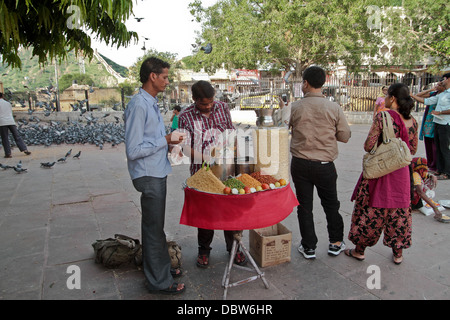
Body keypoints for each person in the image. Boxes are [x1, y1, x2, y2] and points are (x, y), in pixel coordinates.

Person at [124, 57, 186, 295]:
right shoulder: (139, 105)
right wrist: (165, 140)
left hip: (157, 171)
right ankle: (158, 282)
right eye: (165, 77)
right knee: (152, 229)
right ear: (153, 76)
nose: (167, 81)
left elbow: (150, 141)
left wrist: (169, 145)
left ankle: (161, 270)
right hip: (148, 175)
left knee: (156, 227)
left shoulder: (150, 102)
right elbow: (133, 150)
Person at [346, 83, 419, 265]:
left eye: (387, 95)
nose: (385, 98)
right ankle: (398, 254)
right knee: (399, 214)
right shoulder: (413, 122)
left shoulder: (383, 117)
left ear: (392, 98)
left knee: (371, 211)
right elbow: (413, 149)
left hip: (380, 173)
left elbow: (368, 145)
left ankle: (359, 251)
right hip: (401, 175)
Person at [177, 80, 247, 268]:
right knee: (206, 213)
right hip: (202, 172)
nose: (208, 106)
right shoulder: (185, 116)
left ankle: (234, 248)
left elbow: (231, 133)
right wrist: (205, 157)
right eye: (203, 104)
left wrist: (237, 155)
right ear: (194, 100)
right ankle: (204, 250)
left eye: (210, 102)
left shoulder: (223, 107)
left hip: (227, 170)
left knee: (231, 211)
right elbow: (182, 146)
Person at [289, 66, 351, 259]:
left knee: (305, 206)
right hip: (325, 166)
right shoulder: (334, 108)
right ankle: (336, 243)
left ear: (305, 83)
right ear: (323, 83)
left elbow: (281, 128)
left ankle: (309, 247)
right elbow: (345, 136)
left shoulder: (295, 107)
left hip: (300, 164)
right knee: (331, 204)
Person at [411, 73, 450, 180]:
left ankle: (447, 172)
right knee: (438, 148)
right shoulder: (441, 94)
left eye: (444, 79)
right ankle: (440, 170)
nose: (442, 81)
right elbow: (427, 101)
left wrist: (440, 112)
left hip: (446, 124)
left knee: (444, 149)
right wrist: (412, 95)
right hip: (438, 123)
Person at [415, 82, 445, 173]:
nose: (437, 86)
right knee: (428, 142)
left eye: (440, 85)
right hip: (428, 120)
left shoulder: (444, 96)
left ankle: (436, 165)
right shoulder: (434, 94)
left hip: (437, 120)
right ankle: (430, 164)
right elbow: (417, 95)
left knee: (435, 144)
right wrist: (431, 89)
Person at [410, 157, 449, 223]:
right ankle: (413, 206)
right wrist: (435, 208)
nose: (426, 168)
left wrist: (432, 176)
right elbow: (420, 193)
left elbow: (426, 175)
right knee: (419, 192)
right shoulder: (415, 175)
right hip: (410, 197)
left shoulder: (415, 171)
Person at [0, 92, 31, 158]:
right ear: (2, 96)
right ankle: (24, 149)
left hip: (2, 122)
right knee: (17, 136)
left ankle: (8, 153)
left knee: (5, 138)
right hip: (11, 121)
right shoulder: (8, 103)